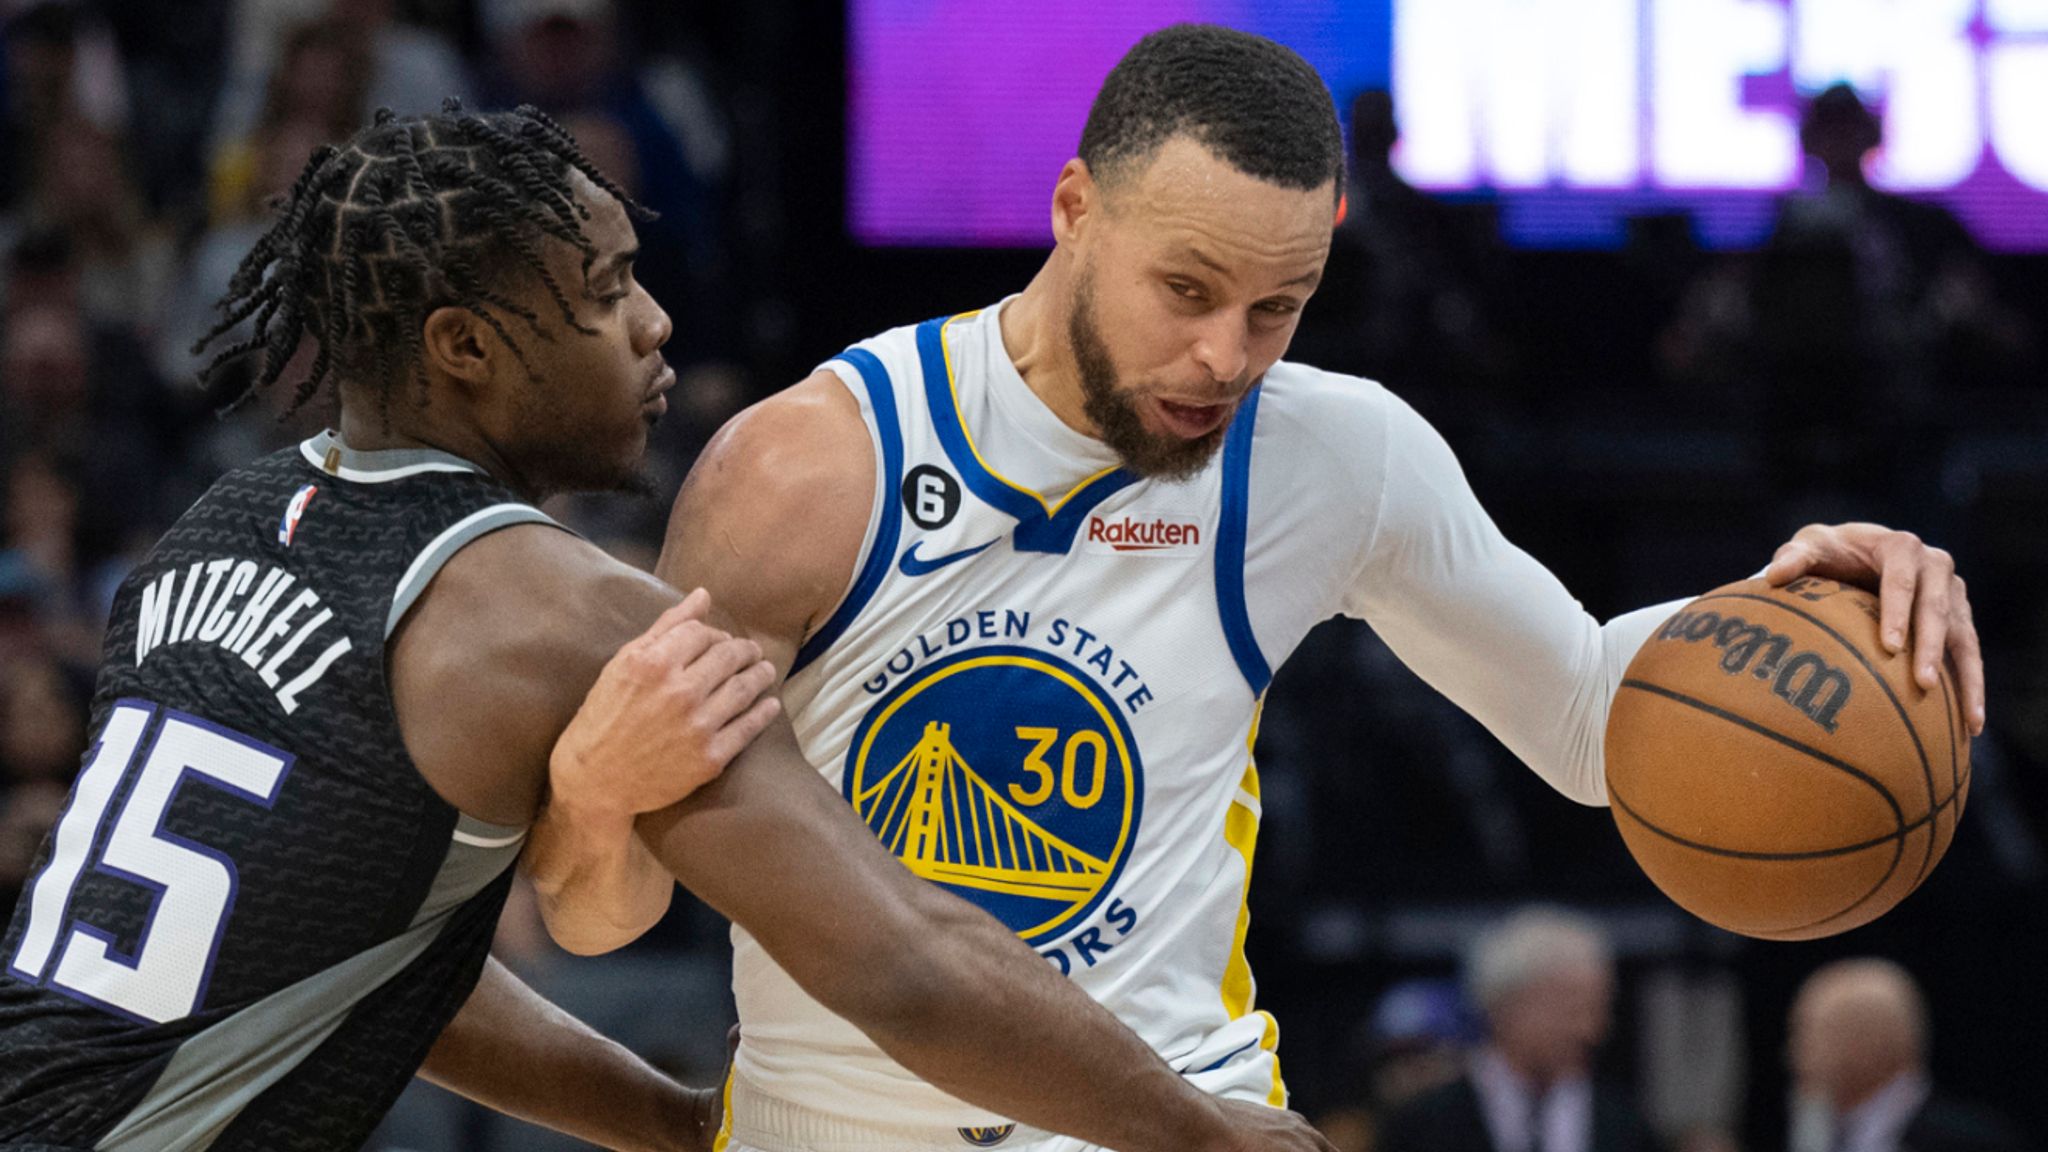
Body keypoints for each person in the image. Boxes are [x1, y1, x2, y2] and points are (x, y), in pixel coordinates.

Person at [537, 22, 1988, 1151]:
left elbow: (1593, 718)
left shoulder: (1335, 455)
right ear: (1072, 209)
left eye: (1278, 308)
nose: (1228, 356)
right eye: (1189, 289)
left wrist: (1796, 605)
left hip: (1185, 1119)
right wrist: (596, 803)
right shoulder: (803, 472)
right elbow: (605, 918)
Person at [0, 103, 1327, 1152]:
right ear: (465, 347)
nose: (656, 322)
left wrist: (670, 1124)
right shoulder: (552, 612)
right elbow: (913, 962)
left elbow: (357, 947)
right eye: (606, 290)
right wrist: (1195, 1130)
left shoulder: (215, 532)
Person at [1377, 908, 1657, 1152]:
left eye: (1599, 1010)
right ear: (1502, 1007)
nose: (1590, 1031)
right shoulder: (1421, 1127)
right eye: (1571, 1011)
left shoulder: (1627, 1127)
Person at [1787, 959, 2036, 1152]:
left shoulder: (1971, 1142)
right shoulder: (1820, 1135)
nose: (1794, 1054)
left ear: (1866, 1044)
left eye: (1809, 1034)